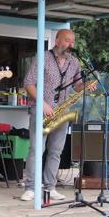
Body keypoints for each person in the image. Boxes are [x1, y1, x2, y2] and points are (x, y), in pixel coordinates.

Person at [20, 29, 94, 201]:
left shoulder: (74, 62)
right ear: (57, 40)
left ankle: (50, 186)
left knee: (56, 152)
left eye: (73, 41)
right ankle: (31, 187)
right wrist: (43, 104)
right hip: (42, 109)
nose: (71, 44)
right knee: (37, 149)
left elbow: (76, 86)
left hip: (62, 111)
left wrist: (85, 85)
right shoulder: (43, 57)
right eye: (67, 40)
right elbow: (29, 83)